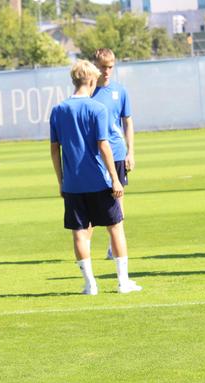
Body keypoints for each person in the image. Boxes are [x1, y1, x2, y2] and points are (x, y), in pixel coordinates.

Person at [50, 60, 142, 294]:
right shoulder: (96, 109)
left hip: (73, 183)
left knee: (80, 232)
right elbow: (104, 146)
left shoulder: (58, 110)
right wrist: (115, 178)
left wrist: (61, 181)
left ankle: (89, 284)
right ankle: (123, 282)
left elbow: (54, 149)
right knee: (115, 227)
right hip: (99, 180)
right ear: (91, 81)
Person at [91, 48, 136, 260]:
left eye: (109, 67)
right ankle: (85, 247)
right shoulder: (88, 92)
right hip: (94, 154)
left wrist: (131, 152)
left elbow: (127, 121)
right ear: (95, 66)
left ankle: (114, 247)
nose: (106, 71)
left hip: (117, 151)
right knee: (91, 199)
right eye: (102, 66)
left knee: (118, 198)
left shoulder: (120, 91)